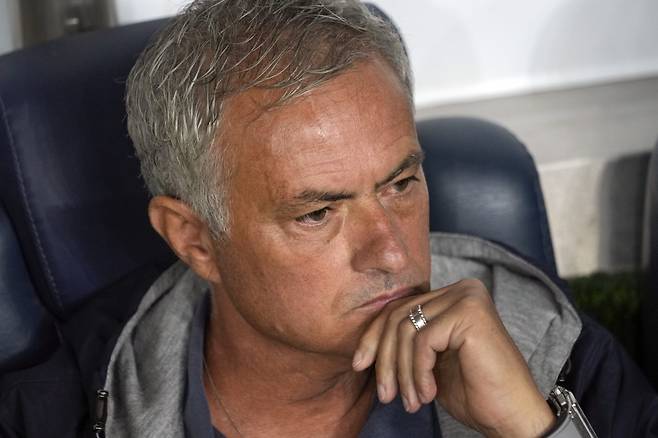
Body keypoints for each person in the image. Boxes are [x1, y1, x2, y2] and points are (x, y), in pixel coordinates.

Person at [1, 1, 657, 437]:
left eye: (401, 183)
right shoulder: (62, 410)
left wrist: (533, 428)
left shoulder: (548, 343)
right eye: (319, 213)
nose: (394, 253)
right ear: (194, 238)